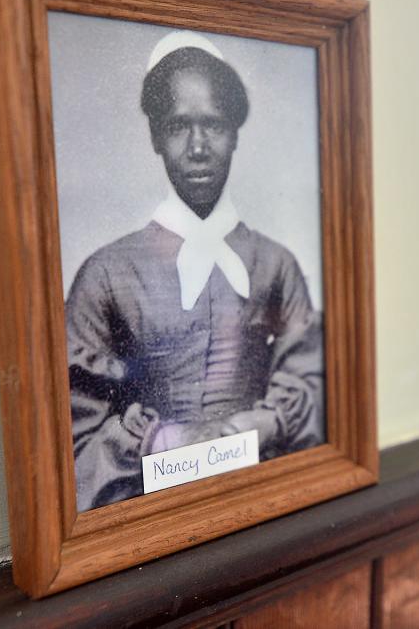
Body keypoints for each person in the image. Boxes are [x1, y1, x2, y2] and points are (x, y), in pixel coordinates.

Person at [67, 31, 324, 512]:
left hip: (262, 508)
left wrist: (264, 425)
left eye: (214, 125)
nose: (199, 147)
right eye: (179, 126)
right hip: (151, 524)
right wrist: (152, 444)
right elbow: (74, 447)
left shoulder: (276, 265)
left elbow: (314, 398)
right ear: (155, 136)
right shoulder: (105, 275)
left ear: (235, 133)